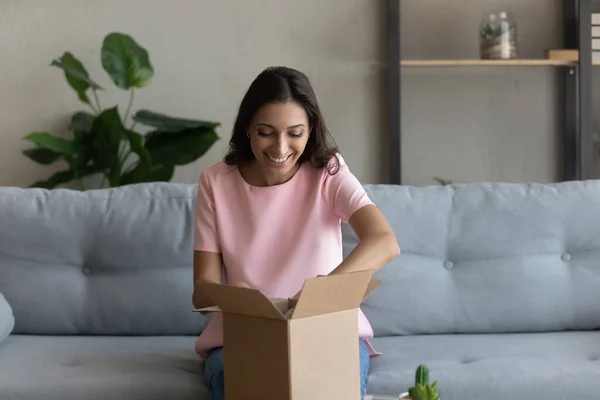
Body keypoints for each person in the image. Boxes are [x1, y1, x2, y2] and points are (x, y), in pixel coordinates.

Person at [192, 66, 400, 400]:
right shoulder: (215, 183)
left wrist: (321, 294)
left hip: (327, 330)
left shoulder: (329, 173)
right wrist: (239, 299)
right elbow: (201, 294)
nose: (280, 147)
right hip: (243, 334)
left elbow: (384, 241)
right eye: (266, 132)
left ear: (310, 130)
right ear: (247, 128)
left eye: (295, 133)